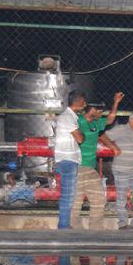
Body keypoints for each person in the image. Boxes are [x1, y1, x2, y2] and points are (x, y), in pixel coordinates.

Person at [72, 92, 123, 229]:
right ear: (93, 109)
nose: (102, 113)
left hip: (90, 168)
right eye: (100, 110)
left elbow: (110, 119)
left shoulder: (96, 123)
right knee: (75, 202)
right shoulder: (77, 121)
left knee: (99, 198)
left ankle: (95, 229)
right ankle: (75, 231)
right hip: (77, 167)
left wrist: (116, 102)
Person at [54, 90, 86, 229]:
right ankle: (63, 226)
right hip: (67, 159)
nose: (85, 105)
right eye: (83, 102)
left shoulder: (69, 116)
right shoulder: (68, 117)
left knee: (67, 194)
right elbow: (79, 138)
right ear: (78, 102)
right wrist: (82, 134)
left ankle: (64, 225)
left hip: (66, 158)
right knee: (68, 195)